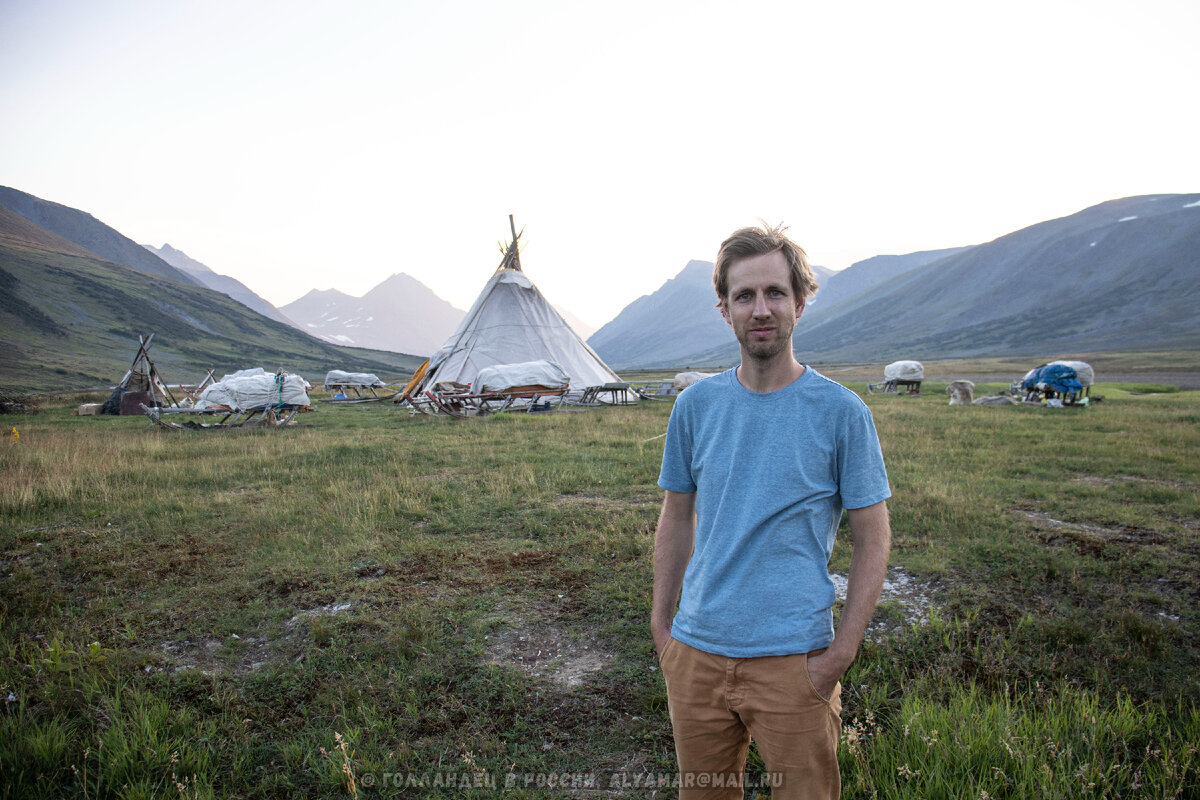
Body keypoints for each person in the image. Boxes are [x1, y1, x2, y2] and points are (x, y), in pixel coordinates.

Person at [652, 223, 892, 799]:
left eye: (775, 293)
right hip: (696, 654)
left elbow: (874, 538)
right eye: (744, 296)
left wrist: (840, 655)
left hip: (795, 663)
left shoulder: (842, 412)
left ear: (800, 303)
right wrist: (663, 629)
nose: (761, 309)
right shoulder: (696, 406)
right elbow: (676, 517)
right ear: (725, 309)